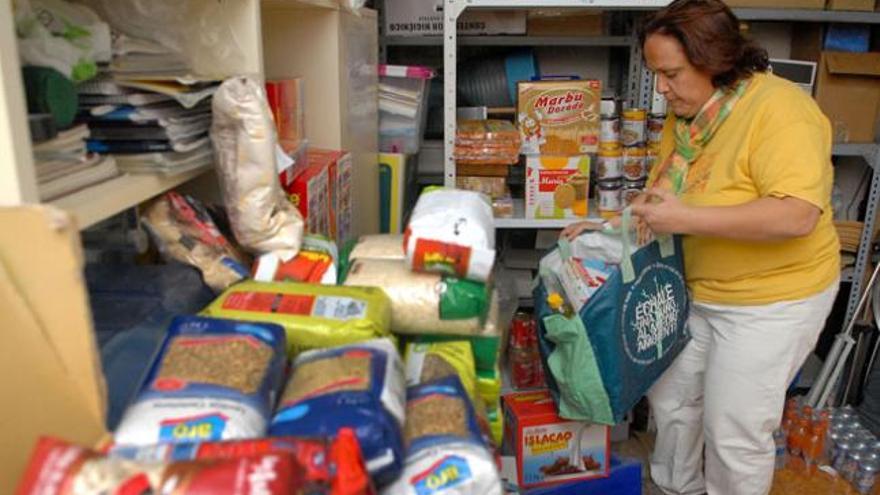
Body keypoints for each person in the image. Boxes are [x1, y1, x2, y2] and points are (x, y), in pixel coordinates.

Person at [560, 1, 840, 493]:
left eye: (671, 74)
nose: (661, 89)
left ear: (714, 59)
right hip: (695, 290)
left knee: (732, 432)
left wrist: (683, 217)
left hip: (771, 301)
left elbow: (798, 214)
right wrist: (610, 226)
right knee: (672, 407)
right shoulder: (689, 114)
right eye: (655, 73)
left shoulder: (781, 111)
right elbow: (666, 194)